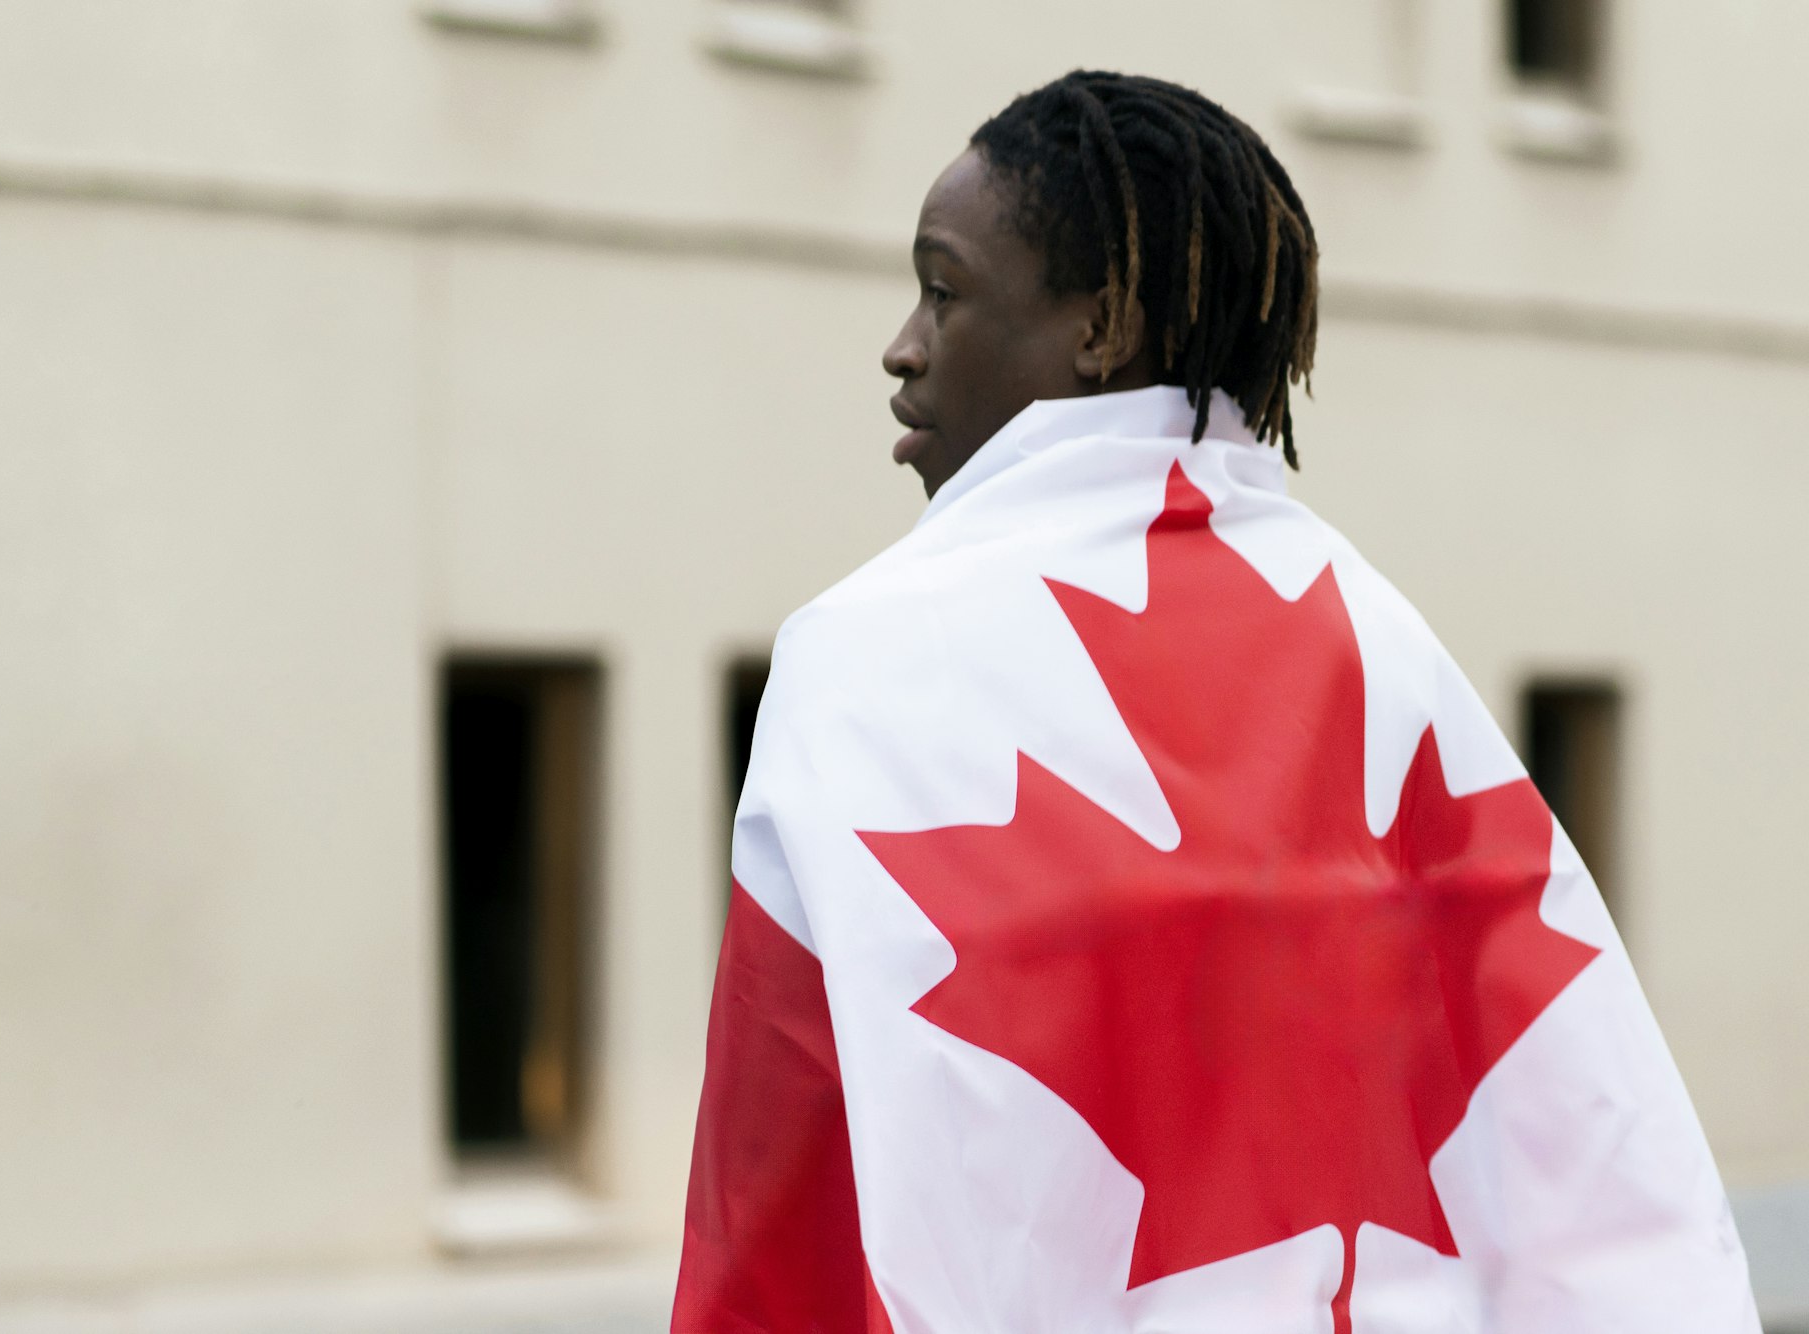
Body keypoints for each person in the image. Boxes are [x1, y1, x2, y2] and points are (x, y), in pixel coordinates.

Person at [674, 71, 1756, 1334]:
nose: (902, 345)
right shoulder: (1387, 652)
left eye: (943, 289)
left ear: (1100, 326)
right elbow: (1596, 1151)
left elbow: (775, 1195)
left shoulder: (856, 666)